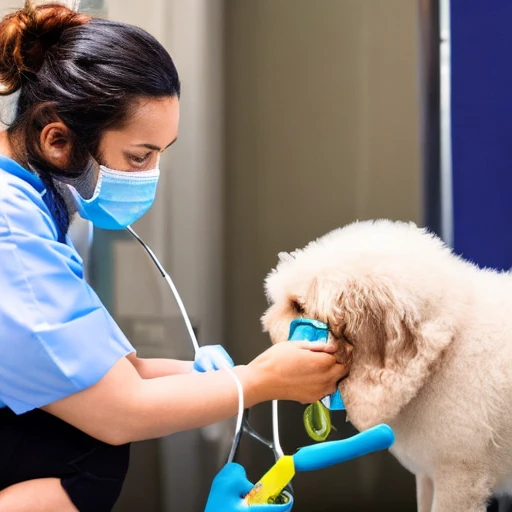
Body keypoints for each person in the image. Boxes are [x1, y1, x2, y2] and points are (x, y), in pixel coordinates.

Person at [0, 2, 348, 511]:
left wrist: (215, 375)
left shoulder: (31, 201)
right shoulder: (11, 235)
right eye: (139, 157)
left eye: (160, 154)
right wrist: (258, 382)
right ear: (58, 138)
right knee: (90, 457)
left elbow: (106, 374)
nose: (149, 176)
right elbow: (119, 410)